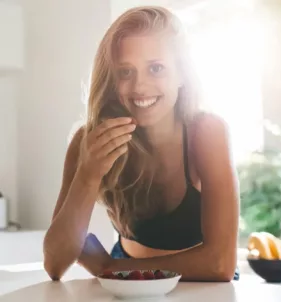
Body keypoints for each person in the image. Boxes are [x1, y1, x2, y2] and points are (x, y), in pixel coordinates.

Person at [43, 6, 240, 282]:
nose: (140, 86)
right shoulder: (88, 141)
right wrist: (87, 176)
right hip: (124, 276)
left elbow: (220, 264)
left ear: (182, 74)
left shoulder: (206, 132)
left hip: (197, 280)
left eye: (156, 68)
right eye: (125, 72)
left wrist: (109, 268)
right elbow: (55, 264)